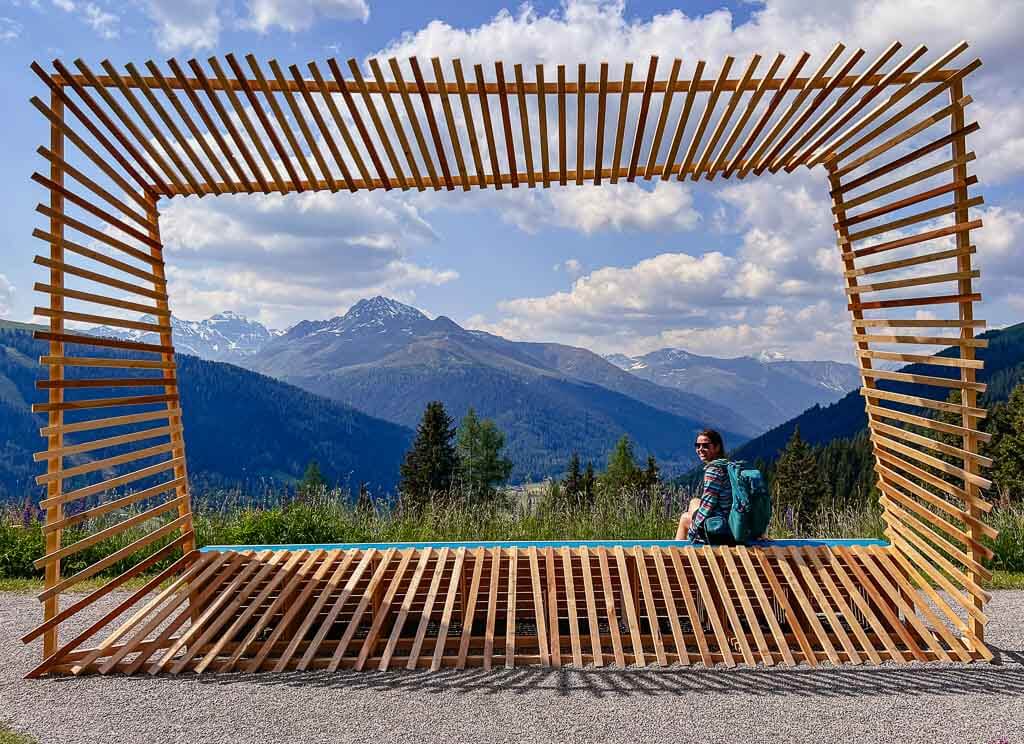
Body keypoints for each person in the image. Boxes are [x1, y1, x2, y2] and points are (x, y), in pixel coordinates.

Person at [675, 429, 733, 543]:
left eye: (705, 445)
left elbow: (708, 504)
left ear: (717, 447)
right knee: (694, 501)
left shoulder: (714, 470)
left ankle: (677, 555)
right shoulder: (726, 465)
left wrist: (693, 531)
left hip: (720, 528)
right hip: (729, 520)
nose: (700, 449)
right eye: (697, 445)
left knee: (685, 518)